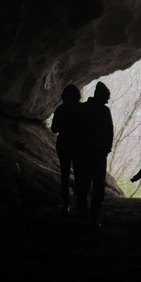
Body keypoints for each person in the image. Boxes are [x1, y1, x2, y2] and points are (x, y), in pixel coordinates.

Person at [79, 81, 114, 227]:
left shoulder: (83, 108)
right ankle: (93, 217)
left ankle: (82, 212)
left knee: (84, 183)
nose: (107, 100)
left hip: (84, 152)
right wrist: (107, 148)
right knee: (98, 185)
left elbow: (77, 130)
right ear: (101, 96)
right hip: (99, 153)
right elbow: (110, 132)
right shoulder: (105, 111)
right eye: (106, 97)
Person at [50, 84, 83, 218]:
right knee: (80, 174)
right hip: (78, 144)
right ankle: (81, 204)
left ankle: (66, 204)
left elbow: (54, 129)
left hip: (63, 143)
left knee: (64, 174)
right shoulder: (81, 109)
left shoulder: (60, 109)